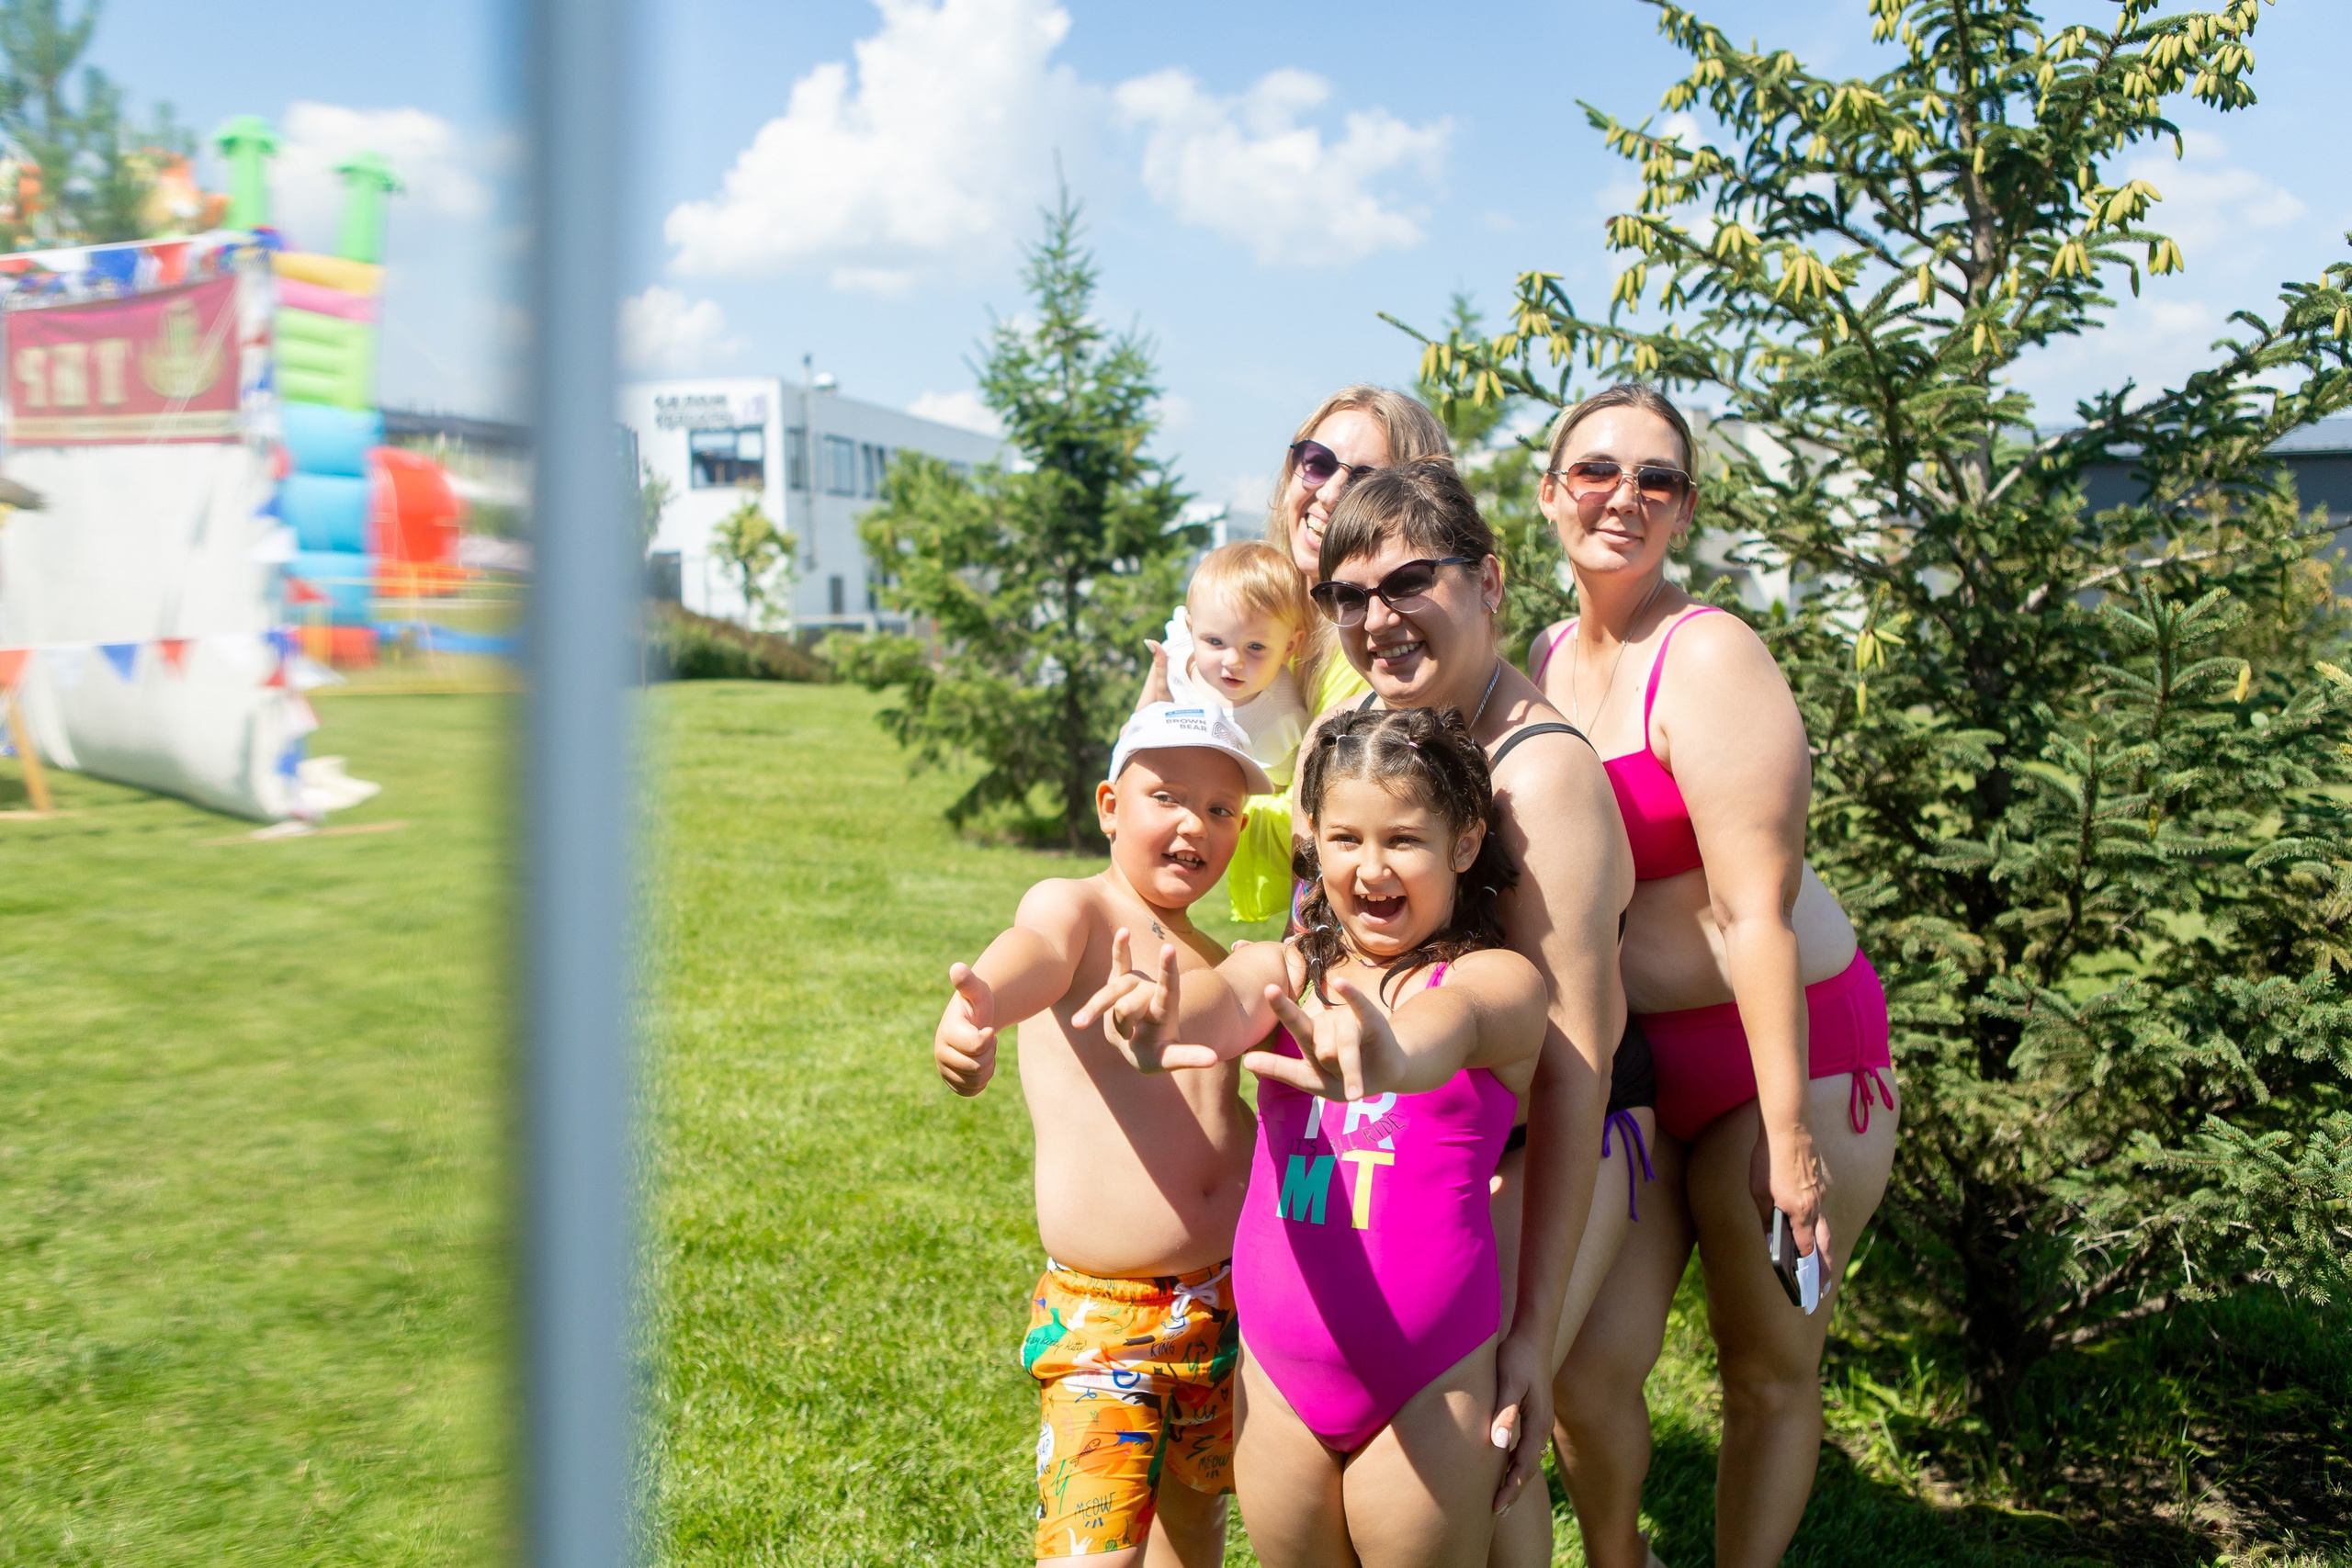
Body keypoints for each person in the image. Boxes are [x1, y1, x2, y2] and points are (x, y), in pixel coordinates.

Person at [1527, 385, 1902, 1568]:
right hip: (1641, 1073)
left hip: (1787, 1057)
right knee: (1583, 1372)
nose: (1623, 497)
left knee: (1766, 1368)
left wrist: (1788, 1140)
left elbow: (1754, 914)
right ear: (1549, 493)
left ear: (1684, 510)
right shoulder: (1545, 658)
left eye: (1657, 480)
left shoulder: (1709, 657)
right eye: (1596, 471)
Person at [1077, 705, 1549, 1566]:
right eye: (1345, 839)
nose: (1371, 867)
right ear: (1313, 845)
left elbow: (1451, 1025)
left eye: (1403, 839)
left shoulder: (1498, 979)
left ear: (1465, 843)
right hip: (1278, 1381)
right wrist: (1162, 1015)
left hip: (1430, 1383)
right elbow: (1226, 997)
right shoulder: (1291, 970)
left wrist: (1387, 1050)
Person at [1305, 460, 1637, 1561]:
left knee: (1488, 1430)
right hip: (1412, 1135)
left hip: (1545, 1145)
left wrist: (1532, 1329)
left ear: (1487, 583)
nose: (1376, 619)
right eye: (1348, 596)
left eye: (1409, 582)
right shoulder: (1356, 732)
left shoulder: (1539, 779)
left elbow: (1576, 1067)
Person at [931, 703, 1273, 1567]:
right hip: (1103, 1315)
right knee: (1094, 1545)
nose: (1195, 823)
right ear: (1110, 805)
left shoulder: (1211, 954)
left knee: (1196, 1517)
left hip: (1225, 1298)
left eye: (1221, 808)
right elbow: (1035, 948)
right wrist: (983, 1006)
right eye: (1169, 796)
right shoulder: (1080, 907)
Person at [1142, 385, 1453, 921]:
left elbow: (1333, 822)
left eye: (1364, 480)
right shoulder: (1268, 617)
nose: (1329, 494)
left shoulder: (1386, 651)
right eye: (1317, 462)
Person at [1159, 540, 1312, 789]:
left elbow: (1273, 788)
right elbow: (1139, 720)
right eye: (1215, 641)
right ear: (1191, 629)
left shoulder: (1278, 719)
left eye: (1256, 647)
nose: (1233, 661)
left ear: (1289, 647)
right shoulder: (1177, 653)